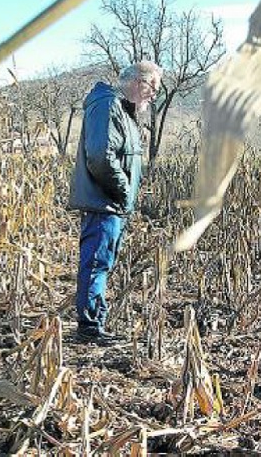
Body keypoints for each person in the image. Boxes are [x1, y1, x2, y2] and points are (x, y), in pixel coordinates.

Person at [69, 60, 162, 344]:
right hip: (104, 203)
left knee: (101, 263)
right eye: (153, 88)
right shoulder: (108, 106)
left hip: (111, 205)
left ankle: (95, 322)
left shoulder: (122, 110)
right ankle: (90, 328)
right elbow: (100, 156)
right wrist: (123, 193)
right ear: (138, 82)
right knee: (96, 263)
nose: (153, 95)